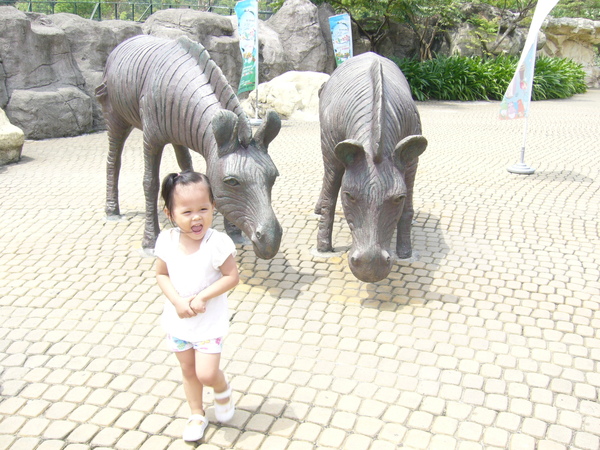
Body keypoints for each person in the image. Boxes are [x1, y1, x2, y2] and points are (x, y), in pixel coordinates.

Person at [155, 171, 239, 442]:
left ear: (213, 206)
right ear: (170, 213)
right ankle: (196, 414)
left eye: (203, 209)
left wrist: (203, 296)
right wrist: (177, 301)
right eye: (187, 211)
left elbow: (231, 276)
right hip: (178, 322)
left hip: (208, 324)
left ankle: (221, 387)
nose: (196, 218)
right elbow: (161, 274)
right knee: (189, 371)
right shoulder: (166, 241)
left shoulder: (216, 243)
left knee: (206, 373)